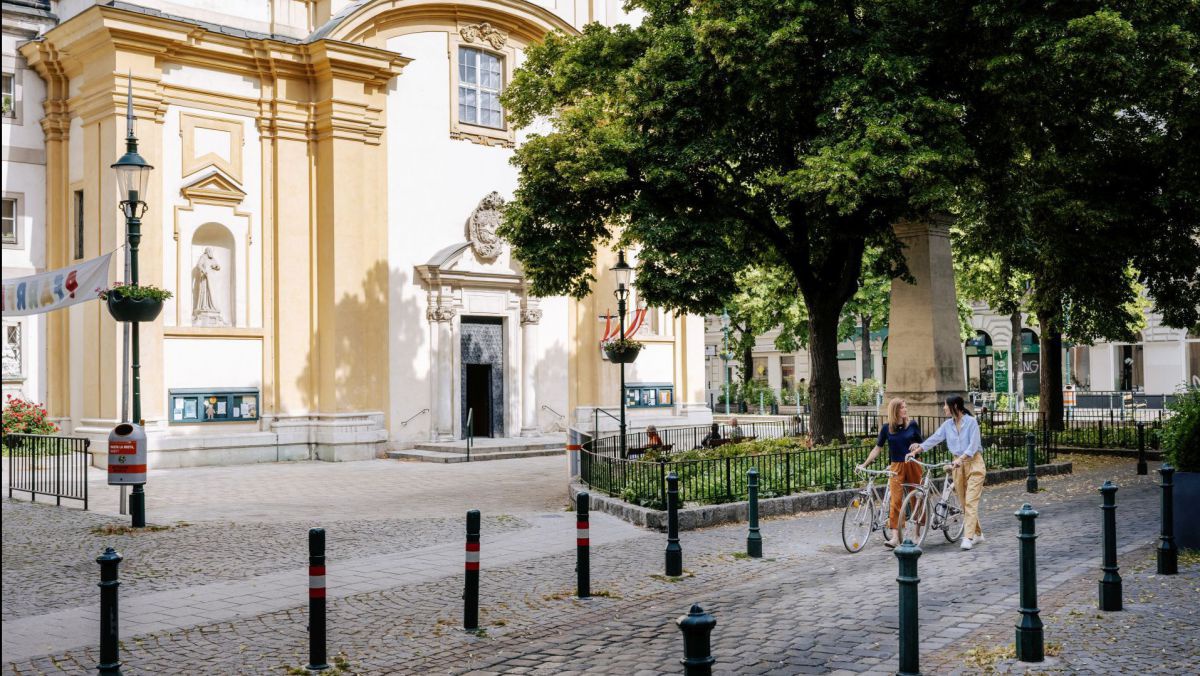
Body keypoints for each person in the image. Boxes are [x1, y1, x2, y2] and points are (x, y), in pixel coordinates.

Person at [907, 395, 986, 550]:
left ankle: (968, 537)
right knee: (964, 503)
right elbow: (934, 439)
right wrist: (916, 451)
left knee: (970, 501)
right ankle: (978, 533)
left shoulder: (971, 422)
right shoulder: (947, 425)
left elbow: (973, 446)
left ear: (955, 406)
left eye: (945, 405)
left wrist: (960, 459)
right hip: (957, 466)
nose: (943, 408)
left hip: (974, 464)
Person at [857, 398, 923, 548]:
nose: (905, 410)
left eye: (906, 407)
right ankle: (895, 537)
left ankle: (917, 533)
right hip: (896, 467)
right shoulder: (887, 428)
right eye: (902, 408)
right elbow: (877, 448)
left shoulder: (912, 425)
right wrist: (865, 464)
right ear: (895, 411)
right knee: (895, 501)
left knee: (916, 498)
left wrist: (918, 445)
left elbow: (923, 443)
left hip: (913, 464)